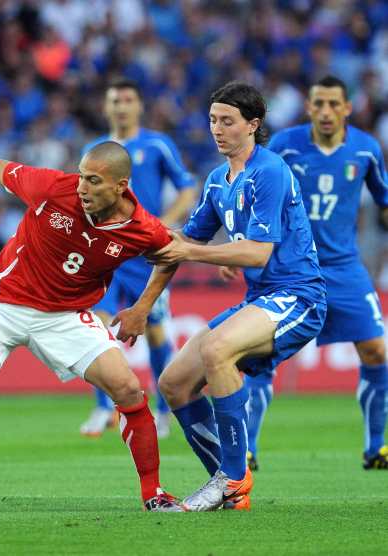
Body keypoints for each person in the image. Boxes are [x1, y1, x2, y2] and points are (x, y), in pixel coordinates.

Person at [0, 142, 182, 512]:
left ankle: (152, 493)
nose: (82, 188)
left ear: (121, 185)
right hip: (1, 302)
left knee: (128, 388)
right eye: (81, 176)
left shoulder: (142, 228)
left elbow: (171, 254)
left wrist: (142, 307)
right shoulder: (53, 187)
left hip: (65, 316)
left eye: (93, 181)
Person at [124, 82, 326, 511]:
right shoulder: (218, 180)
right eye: (213, 119)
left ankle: (233, 478)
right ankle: (228, 481)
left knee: (217, 350)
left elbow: (256, 252)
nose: (218, 129)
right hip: (262, 300)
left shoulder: (269, 171)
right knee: (173, 384)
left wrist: (191, 250)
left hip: (298, 297)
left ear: (253, 125)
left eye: (228, 121)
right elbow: (177, 247)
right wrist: (142, 303)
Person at [242, 75, 388, 471]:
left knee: (376, 350)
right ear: (308, 107)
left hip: (343, 268)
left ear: (347, 108)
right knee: (258, 356)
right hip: (287, 267)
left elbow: (383, 202)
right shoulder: (285, 145)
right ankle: (247, 449)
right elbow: (249, 191)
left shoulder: (366, 150)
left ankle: (376, 448)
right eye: (318, 103)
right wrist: (238, 246)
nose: (325, 111)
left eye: (332, 104)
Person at [80, 79, 197, 438]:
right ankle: (103, 408)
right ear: (106, 106)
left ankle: (164, 410)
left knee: (158, 333)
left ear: (139, 106)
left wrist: (160, 224)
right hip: (106, 254)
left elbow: (188, 190)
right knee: (96, 329)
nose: (121, 106)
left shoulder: (157, 144)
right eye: (115, 100)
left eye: (128, 100)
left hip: (144, 256)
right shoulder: (95, 149)